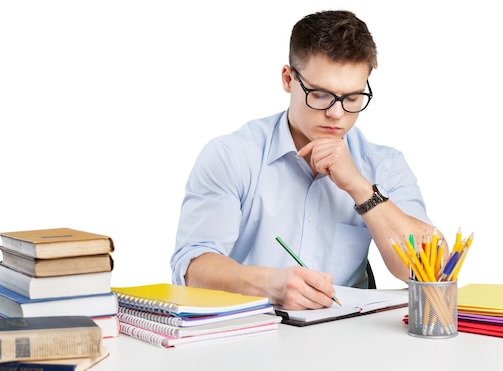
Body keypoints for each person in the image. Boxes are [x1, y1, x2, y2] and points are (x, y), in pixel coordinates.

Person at [170, 10, 443, 310]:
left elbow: (430, 270)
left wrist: (361, 189)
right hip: (247, 338)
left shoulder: (385, 165)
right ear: (288, 79)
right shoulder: (231, 156)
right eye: (321, 94)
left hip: (348, 340)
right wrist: (268, 285)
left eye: (352, 98)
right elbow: (191, 267)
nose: (336, 113)